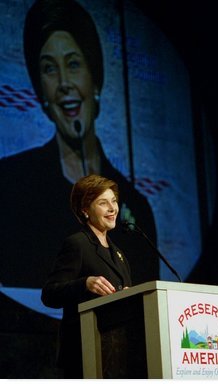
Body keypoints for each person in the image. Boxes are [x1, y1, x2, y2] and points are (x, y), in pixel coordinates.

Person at [0, 0, 159, 289]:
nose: (63, 83)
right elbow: (50, 292)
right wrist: (84, 283)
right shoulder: (11, 184)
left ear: (94, 78)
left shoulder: (138, 212)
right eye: (49, 68)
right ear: (41, 91)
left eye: (73, 64)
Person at [41, 174, 147, 379]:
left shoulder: (119, 255)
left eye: (114, 201)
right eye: (103, 203)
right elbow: (49, 294)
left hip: (119, 354)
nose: (113, 208)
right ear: (85, 210)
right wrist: (85, 284)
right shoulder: (77, 244)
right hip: (85, 352)